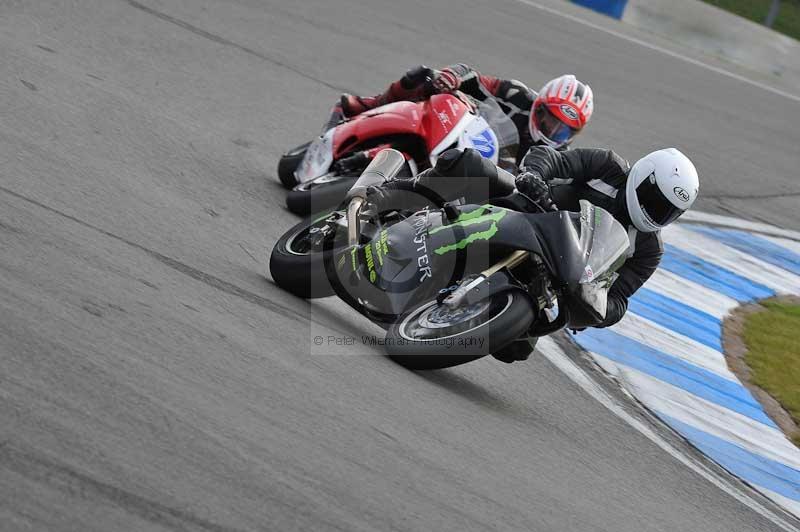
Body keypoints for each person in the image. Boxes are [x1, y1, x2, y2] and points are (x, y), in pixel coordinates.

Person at [367, 146, 699, 363]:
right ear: (643, 177)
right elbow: (554, 158)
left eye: (668, 211)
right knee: (468, 164)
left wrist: (598, 306)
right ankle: (388, 197)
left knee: (515, 348)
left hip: (551, 273)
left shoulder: (648, 249)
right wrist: (535, 176)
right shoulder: (608, 166)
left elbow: (620, 299)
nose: (657, 213)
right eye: (655, 201)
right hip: (527, 210)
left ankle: (439, 313)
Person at [331, 64, 594, 157]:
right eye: (550, 120)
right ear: (540, 106)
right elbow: (472, 75)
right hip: (463, 137)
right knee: (423, 76)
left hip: (484, 187)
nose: (553, 131)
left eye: (563, 130)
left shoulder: (560, 158)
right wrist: (452, 77)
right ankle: (366, 108)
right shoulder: (517, 95)